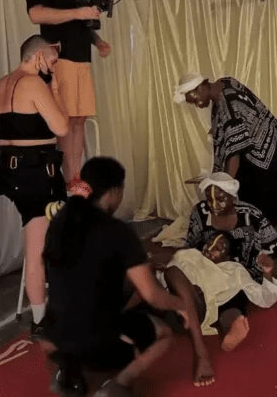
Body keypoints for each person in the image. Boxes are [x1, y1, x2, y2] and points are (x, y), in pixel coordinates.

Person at [41, 157, 188, 397]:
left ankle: (69, 369)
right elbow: (152, 295)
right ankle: (117, 385)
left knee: (84, 315)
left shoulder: (59, 223)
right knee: (164, 334)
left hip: (53, 334)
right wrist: (181, 305)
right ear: (112, 193)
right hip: (94, 338)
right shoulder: (117, 231)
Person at [156, 172, 277, 386]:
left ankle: (231, 326)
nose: (214, 204)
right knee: (177, 278)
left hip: (237, 273)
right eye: (209, 198)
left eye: (221, 198)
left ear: (233, 197)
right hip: (200, 275)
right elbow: (190, 249)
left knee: (234, 295)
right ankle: (192, 309)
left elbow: (276, 250)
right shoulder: (200, 212)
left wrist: (268, 267)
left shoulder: (251, 215)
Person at [0, 35, 69, 337]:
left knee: (39, 241)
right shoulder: (34, 84)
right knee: (38, 249)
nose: (53, 66)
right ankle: (41, 319)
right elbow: (61, 127)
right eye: (52, 60)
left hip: (11, 174)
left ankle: (45, 313)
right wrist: (56, 91)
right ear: (38, 57)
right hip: (37, 175)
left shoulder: (1, 84)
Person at [25, 0, 112, 187]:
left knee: (79, 119)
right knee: (64, 120)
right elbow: (36, 14)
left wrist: (97, 41)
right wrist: (78, 13)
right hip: (59, 58)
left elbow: (79, 21)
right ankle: (67, 180)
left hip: (82, 58)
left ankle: (75, 176)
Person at [174, 73, 277, 230]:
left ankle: (271, 236)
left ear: (200, 88)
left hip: (264, 152)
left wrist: (224, 185)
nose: (197, 105)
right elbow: (235, 123)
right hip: (260, 144)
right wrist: (219, 130)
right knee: (257, 200)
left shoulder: (228, 104)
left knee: (264, 203)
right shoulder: (223, 84)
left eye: (194, 100)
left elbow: (235, 151)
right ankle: (265, 232)